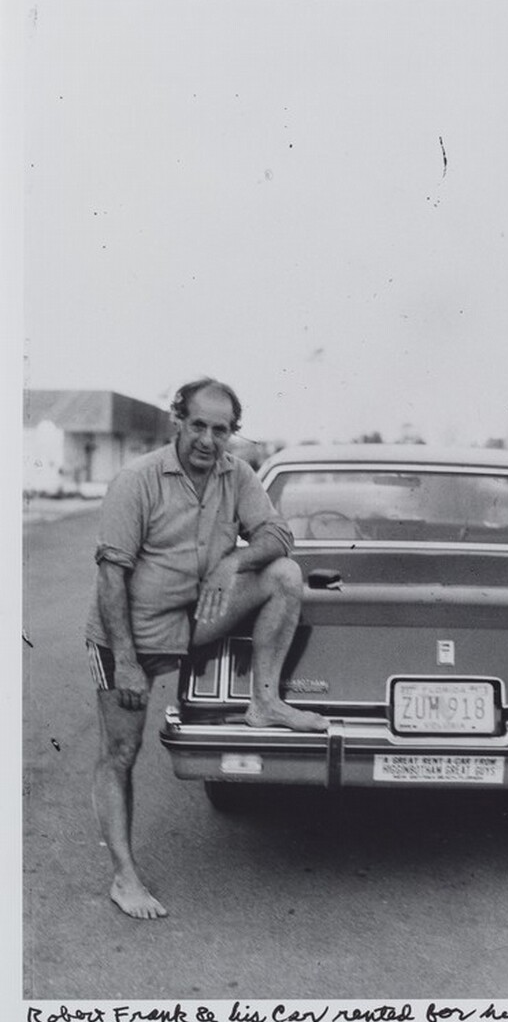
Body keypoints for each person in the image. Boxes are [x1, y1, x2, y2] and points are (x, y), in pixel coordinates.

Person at [86, 377, 328, 920]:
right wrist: (126, 661)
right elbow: (110, 577)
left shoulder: (236, 474)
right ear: (177, 420)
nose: (207, 440)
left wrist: (233, 561)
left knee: (284, 575)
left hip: (196, 617)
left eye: (221, 430)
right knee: (120, 752)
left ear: (232, 433)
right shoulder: (137, 479)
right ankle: (125, 877)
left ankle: (264, 702)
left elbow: (278, 535)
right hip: (131, 631)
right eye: (198, 425)